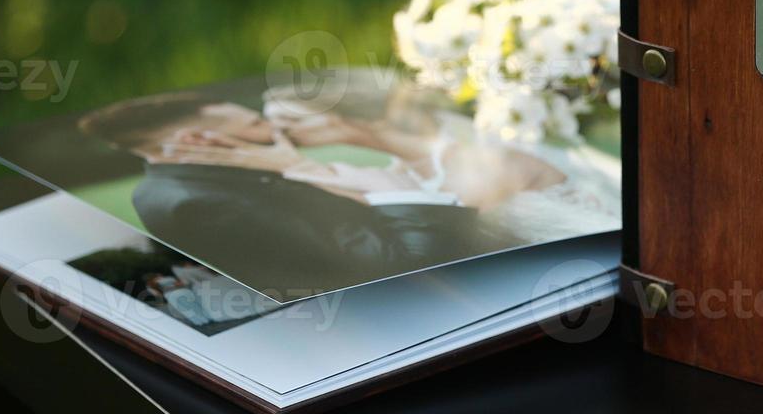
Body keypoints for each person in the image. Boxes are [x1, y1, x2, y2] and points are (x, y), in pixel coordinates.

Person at [76, 92, 553, 298]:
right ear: (199, 142)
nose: (275, 127)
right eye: (257, 122)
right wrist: (299, 168)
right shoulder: (198, 202)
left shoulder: (230, 175)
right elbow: (393, 262)